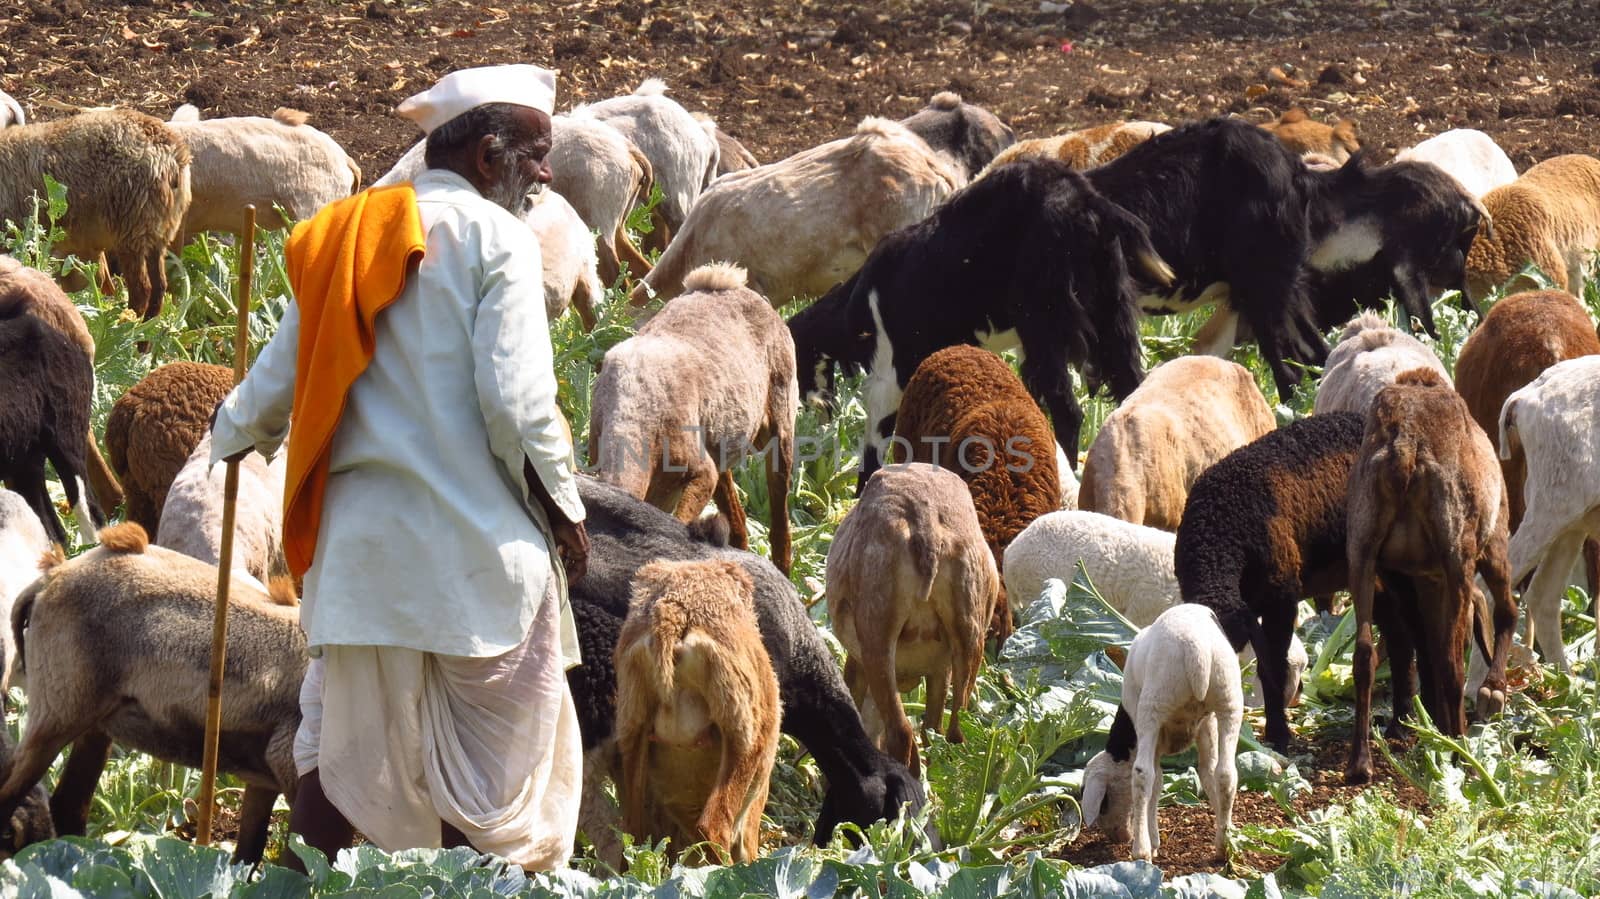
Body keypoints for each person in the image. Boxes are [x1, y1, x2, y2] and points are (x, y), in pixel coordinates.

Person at [209, 64, 589, 871]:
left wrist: (229, 431)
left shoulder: (348, 232)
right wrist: (566, 507)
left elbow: (281, 376)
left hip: (361, 568)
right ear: (490, 157)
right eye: (538, 152)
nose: (547, 174)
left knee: (339, 756)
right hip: (474, 567)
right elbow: (515, 404)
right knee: (489, 787)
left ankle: (290, 892)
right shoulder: (501, 243)